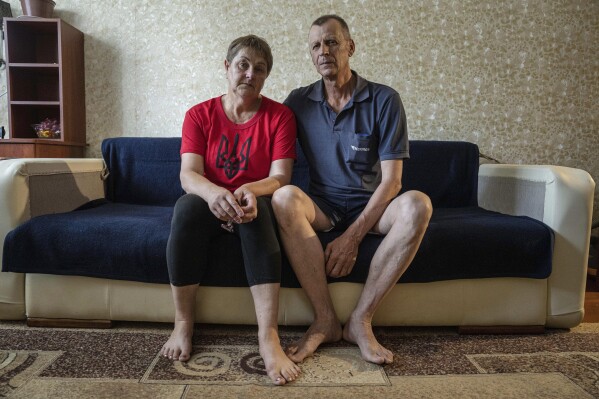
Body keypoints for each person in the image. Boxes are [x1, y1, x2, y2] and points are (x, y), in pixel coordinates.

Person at [272, 15, 433, 365]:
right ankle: (326, 320)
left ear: (350, 47)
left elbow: (393, 182)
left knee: (418, 205)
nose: (323, 51)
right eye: (315, 45)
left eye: (331, 42)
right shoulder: (297, 102)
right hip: (323, 206)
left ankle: (360, 320)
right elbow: (266, 145)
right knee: (284, 198)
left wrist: (352, 238)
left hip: (372, 207)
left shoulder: (384, 100)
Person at [161, 34, 300, 385]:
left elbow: (280, 176)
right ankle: (182, 323)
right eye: (243, 65)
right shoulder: (199, 115)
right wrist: (214, 194)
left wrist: (249, 191)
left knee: (258, 213)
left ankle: (268, 336)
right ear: (227, 67)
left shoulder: (280, 116)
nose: (250, 74)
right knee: (186, 208)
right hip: (209, 202)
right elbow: (188, 174)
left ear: (266, 77)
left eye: (260, 69)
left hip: (254, 201)